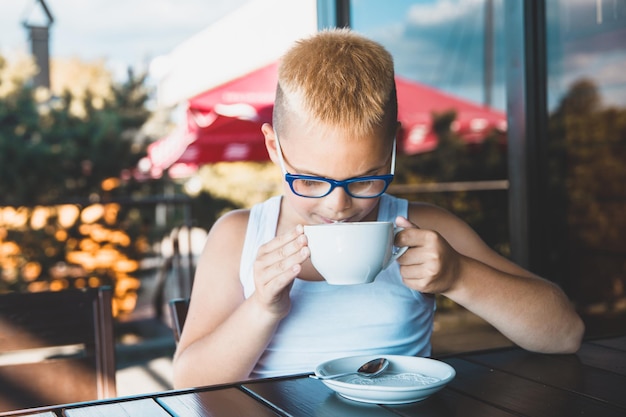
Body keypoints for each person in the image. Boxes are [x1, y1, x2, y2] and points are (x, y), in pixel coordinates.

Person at [172, 28, 584, 388]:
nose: (339, 205)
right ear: (273, 149)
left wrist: (461, 276)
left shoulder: (424, 227)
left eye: (365, 179)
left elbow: (564, 333)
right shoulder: (239, 236)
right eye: (311, 181)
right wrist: (261, 308)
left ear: (393, 148)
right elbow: (188, 382)